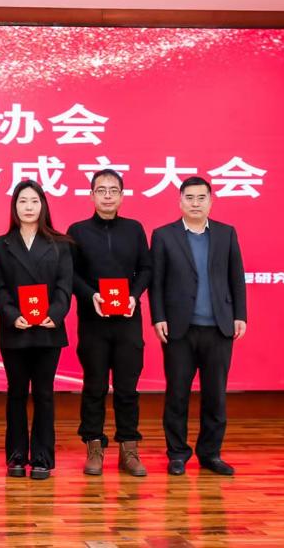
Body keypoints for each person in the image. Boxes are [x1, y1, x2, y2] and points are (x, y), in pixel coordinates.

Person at [149, 176, 247, 476]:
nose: (195, 203)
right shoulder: (164, 235)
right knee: (177, 394)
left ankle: (210, 454)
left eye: (201, 197)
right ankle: (177, 454)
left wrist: (240, 315)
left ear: (211, 200)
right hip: (179, 329)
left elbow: (236, 277)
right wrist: (158, 317)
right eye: (189, 197)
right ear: (180, 201)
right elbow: (156, 282)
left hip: (219, 328)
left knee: (215, 395)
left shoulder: (226, 233)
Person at [67, 169, 151, 476]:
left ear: (122, 196)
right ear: (91, 195)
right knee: (95, 386)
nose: (107, 196)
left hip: (128, 318)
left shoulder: (134, 229)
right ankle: (94, 447)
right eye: (101, 190)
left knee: (127, 387)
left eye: (113, 190)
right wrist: (91, 296)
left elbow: (146, 268)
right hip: (94, 320)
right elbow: (69, 274)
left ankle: (129, 449)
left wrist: (134, 296)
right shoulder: (77, 231)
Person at [0, 180, 73, 480]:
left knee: (44, 394)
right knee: (17, 393)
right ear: (14, 207)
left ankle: (42, 457)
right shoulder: (0, 244)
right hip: (16, 329)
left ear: (43, 206)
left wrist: (55, 314)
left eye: (34, 201)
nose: (28, 207)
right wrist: (12, 315)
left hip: (48, 329)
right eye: (22, 201)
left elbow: (64, 286)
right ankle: (16, 456)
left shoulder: (61, 244)